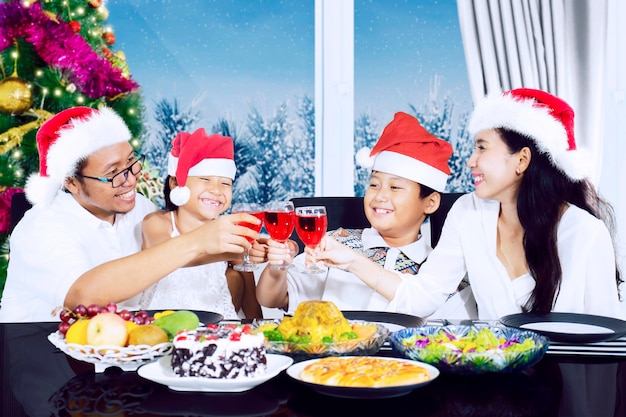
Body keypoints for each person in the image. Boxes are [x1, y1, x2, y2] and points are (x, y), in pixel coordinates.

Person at [0, 107, 260, 322]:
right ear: (71, 181)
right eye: (114, 172)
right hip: (51, 369)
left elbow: (169, 257)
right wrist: (197, 241)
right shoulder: (42, 227)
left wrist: (235, 251)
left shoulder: (140, 208)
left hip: (123, 363)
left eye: (131, 161)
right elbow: (82, 296)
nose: (131, 179)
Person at [384, 88, 622, 319]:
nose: (470, 161)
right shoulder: (468, 211)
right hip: (489, 359)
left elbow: (608, 335)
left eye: (481, 148)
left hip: (565, 360)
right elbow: (426, 293)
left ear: (522, 159)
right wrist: (352, 261)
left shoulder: (586, 233)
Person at [255, 112, 455, 313]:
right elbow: (273, 299)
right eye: (374, 184)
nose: (379, 196)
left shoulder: (438, 268)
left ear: (430, 202)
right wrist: (278, 267)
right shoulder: (335, 243)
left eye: (395, 188)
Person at [140, 128, 262, 319]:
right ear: (175, 183)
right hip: (163, 330)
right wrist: (229, 251)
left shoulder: (230, 232)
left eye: (225, 183)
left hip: (216, 332)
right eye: (205, 179)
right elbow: (166, 254)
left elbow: (250, 300)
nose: (216, 190)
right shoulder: (157, 222)